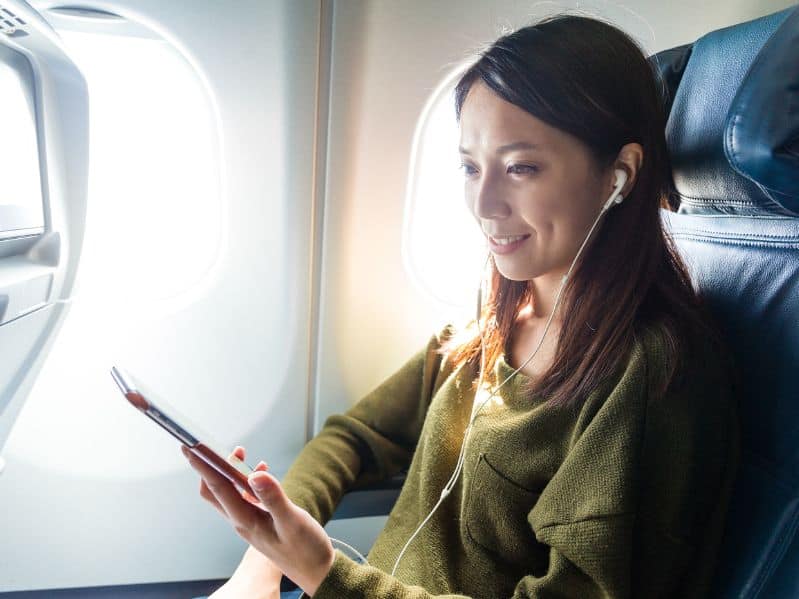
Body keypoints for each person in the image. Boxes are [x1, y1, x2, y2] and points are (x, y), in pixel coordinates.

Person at [183, 13, 740, 598]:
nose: (484, 203)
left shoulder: (652, 382)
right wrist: (263, 562)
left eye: (521, 168)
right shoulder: (491, 324)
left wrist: (322, 570)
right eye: (471, 167)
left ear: (619, 176)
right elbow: (355, 435)